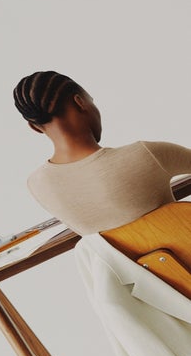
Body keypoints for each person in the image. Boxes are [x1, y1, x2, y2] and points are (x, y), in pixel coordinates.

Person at [13, 71, 191, 236]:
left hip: (150, 270)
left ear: (34, 127)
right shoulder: (146, 154)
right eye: (91, 100)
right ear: (79, 102)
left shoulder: (38, 184)